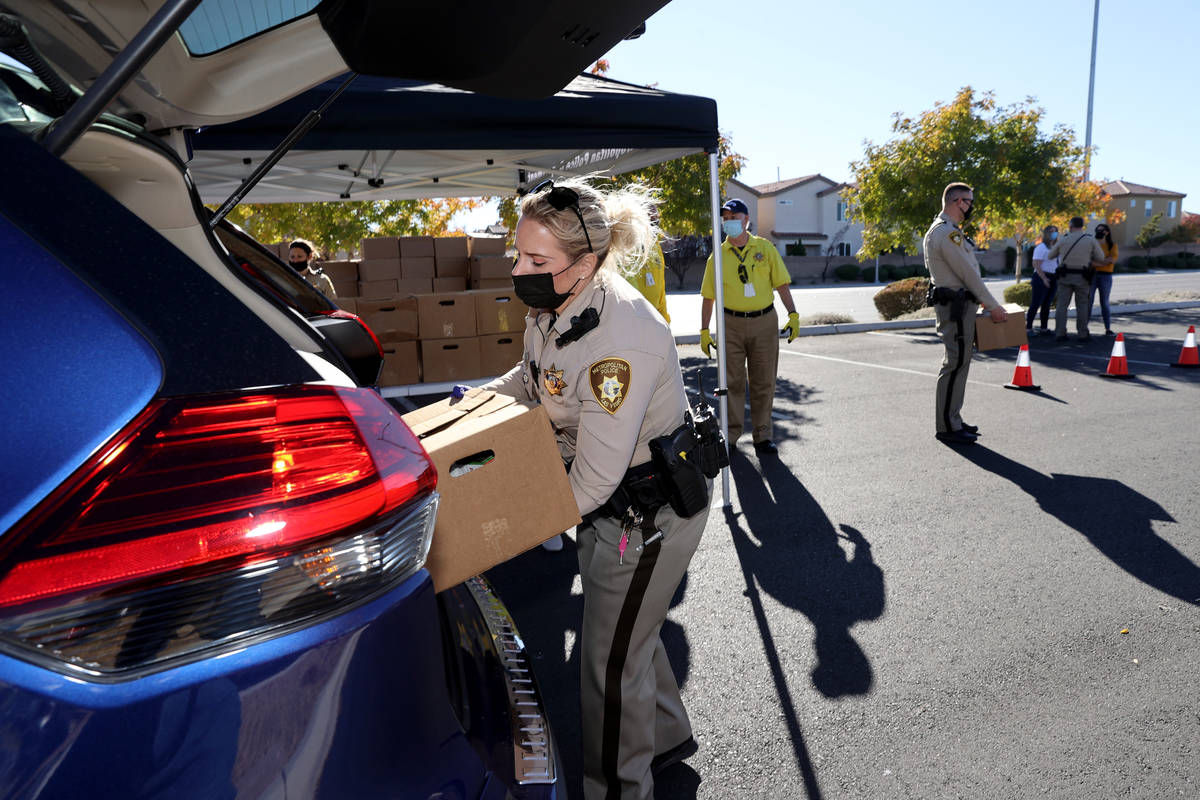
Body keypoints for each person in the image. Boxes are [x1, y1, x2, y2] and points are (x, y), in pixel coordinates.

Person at [484, 177, 709, 798]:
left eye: (537, 261)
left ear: (585, 263)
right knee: (628, 632)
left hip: (648, 515)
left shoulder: (621, 340)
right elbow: (536, 380)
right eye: (518, 254)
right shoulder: (556, 304)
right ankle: (666, 738)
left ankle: (616, 788)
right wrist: (472, 406)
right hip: (612, 509)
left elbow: (593, 477)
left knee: (608, 663)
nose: (520, 270)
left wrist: (505, 526)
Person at [698, 198, 799, 457]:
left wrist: (793, 314)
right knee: (731, 382)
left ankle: (762, 437)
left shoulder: (764, 248)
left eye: (734, 218)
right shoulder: (717, 256)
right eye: (725, 219)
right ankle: (731, 437)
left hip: (764, 321)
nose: (729, 223)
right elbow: (708, 296)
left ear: (746, 220)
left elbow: (781, 284)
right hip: (730, 323)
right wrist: (704, 330)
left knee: (763, 381)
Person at [923, 182, 1008, 446]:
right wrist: (992, 304)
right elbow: (967, 274)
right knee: (955, 363)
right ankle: (948, 425)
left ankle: (953, 419)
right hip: (956, 307)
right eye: (969, 201)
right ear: (957, 202)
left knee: (960, 363)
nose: (971, 206)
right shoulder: (945, 233)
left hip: (961, 306)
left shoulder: (951, 232)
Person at [1044, 217, 1106, 342]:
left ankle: (1060, 333)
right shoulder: (1090, 240)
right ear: (1082, 226)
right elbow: (1101, 258)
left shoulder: (1064, 240)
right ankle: (1082, 333)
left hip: (1065, 276)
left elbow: (1050, 256)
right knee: (1082, 305)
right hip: (1083, 277)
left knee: (1062, 305)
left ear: (1071, 225)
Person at [625, 238, 671, 321]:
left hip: (654, 322)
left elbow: (661, 291)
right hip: (633, 321)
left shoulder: (655, 244)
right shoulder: (624, 243)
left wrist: (665, 321)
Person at [1026, 224, 1059, 335]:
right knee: (1036, 303)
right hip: (1041, 277)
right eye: (1051, 231)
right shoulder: (1041, 247)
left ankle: (1044, 328)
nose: (1053, 234)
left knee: (1047, 304)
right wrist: (1044, 279)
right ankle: (1028, 328)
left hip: (1053, 277)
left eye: (1055, 231)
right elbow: (1036, 264)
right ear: (1046, 234)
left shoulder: (1056, 247)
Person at [1089, 222, 1119, 335]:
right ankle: (1084, 327)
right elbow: (1089, 261)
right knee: (1089, 302)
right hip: (1092, 275)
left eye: (1102, 230)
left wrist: (1097, 263)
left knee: (1104, 302)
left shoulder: (1112, 245)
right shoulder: (1092, 244)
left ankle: (1107, 328)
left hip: (1106, 277)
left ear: (1107, 232)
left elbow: (1112, 260)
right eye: (1098, 230)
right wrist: (1103, 262)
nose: (1099, 232)